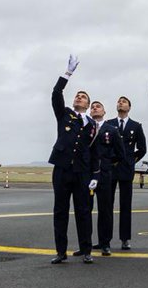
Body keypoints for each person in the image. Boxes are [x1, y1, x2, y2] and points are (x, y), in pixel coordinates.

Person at [48, 55, 95, 265]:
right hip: (62, 169)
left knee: (84, 211)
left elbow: (95, 152)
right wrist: (67, 74)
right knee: (60, 211)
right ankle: (61, 251)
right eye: (77, 95)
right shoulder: (65, 114)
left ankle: (86, 250)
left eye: (83, 97)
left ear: (89, 103)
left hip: (82, 172)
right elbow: (56, 94)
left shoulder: (93, 124)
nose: (79, 98)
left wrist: (95, 174)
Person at [89, 100, 130, 256]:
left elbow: (120, 154)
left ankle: (105, 242)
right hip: (87, 173)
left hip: (105, 173)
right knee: (85, 208)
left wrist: (106, 163)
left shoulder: (111, 130)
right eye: (92, 107)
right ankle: (86, 242)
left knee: (105, 209)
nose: (95, 108)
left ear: (104, 112)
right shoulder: (85, 128)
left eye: (98, 106)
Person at [111, 96, 147, 250]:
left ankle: (125, 238)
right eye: (119, 101)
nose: (120, 103)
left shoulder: (136, 126)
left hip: (126, 169)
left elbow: (142, 148)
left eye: (124, 102)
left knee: (125, 205)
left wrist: (131, 159)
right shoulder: (109, 124)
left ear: (129, 107)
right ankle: (104, 239)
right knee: (106, 204)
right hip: (110, 168)